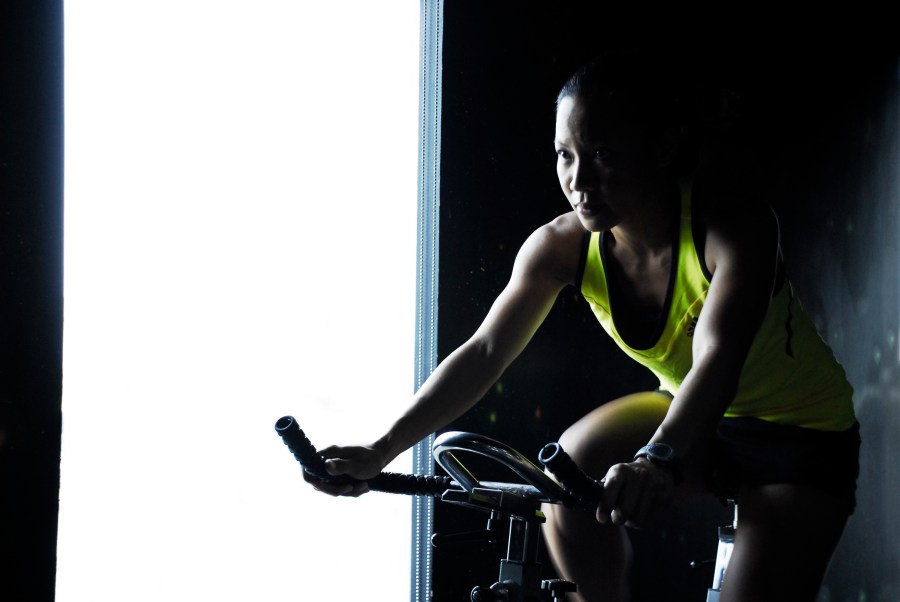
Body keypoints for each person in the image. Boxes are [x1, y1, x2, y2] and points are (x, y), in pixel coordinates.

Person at [303, 50, 861, 602]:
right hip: (693, 418)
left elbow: (718, 362)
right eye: (564, 155)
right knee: (567, 471)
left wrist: (655, 458)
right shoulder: (558, 247)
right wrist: (382, 449)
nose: (579, 179)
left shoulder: (736, 228)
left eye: (602, 154)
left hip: (800, 436)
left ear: (663, 147)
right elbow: (485, 351)